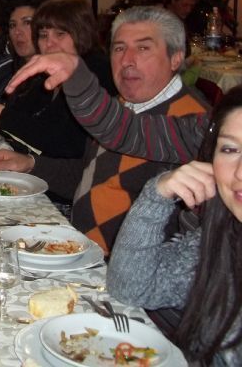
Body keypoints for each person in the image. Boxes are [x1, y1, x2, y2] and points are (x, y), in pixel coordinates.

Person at [0, 6, 208, 253]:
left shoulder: (195, 123)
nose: (127, 60)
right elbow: (87, 176)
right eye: (119, 48)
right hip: (77, 245)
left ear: (176, 57)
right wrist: (31, 164)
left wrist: (77, 75)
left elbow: (123, 131)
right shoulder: (124, 104)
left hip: (122, 268)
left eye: (143, 48)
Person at [107, 86, 242, 366]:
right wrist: (157, 194)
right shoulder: (220, 240)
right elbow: (130, 287)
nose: (239, 172)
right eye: (230, 149)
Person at [0, 0, 116, 160]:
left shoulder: (96, 70)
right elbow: (18, 120)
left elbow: (71, 144)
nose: (49, 43)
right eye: (43, 35)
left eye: (60, 34)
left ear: (81, 33)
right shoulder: (47, 74)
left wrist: (5, 118)